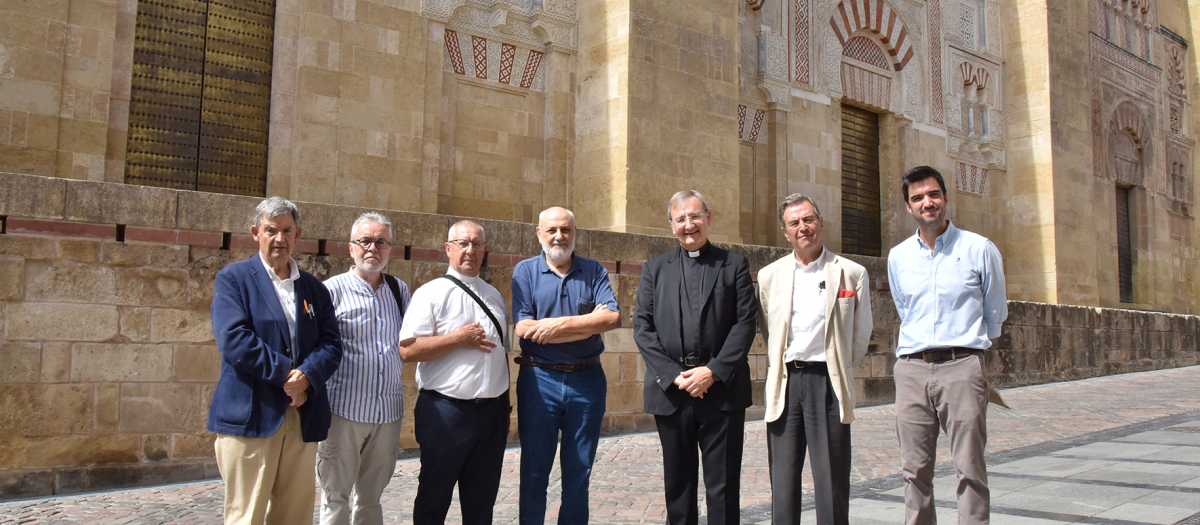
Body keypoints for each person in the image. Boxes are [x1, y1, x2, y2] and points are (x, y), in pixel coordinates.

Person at [208, 196, 343, 525]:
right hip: (251, 415)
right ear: (256, 233)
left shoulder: (313, 287)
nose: (279, 238)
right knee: (247, 514)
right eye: (271, 230)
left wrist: (307, 377)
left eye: (287, 230)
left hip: (301, 415)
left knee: (294, 515)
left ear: (298, 235)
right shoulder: (234, 279)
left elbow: (332, 342)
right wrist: (288, 376)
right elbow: (234, 339)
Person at [888, 166, 1008, 525]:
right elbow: (904, 309)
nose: (928, 203)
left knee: (970, 467)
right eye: (918, 198)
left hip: (962, 365)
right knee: (914, 470)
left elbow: (995, 312)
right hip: (911, 367)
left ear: (945, 198)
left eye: (934, 195)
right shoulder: (898, 256)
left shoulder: (978, 249)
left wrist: (966, 350)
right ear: (908, 207)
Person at [633, 190, 759, 525]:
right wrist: (675, 374)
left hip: (722, 392)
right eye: (681, 219)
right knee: (678, 485)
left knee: (723, 486)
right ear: (671, 224)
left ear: (708, 217)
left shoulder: (733, 265)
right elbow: (642, 328)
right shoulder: (654, 270)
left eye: (695, 216)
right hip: (672, 394)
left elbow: (745, 323)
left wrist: (713, 372)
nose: (689, 225)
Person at [757, 194, 872, 525]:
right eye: (794, 223)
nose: (802, 228)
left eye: (808, 220)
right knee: (783, 480)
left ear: (821, 223)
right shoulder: (769, 276)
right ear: (784, 231)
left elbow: (860, 334)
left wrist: (837, 366)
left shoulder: (851, 272)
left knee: (832, 479)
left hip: (829, 384)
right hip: (786, 384)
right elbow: (769, 327)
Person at [511, 206, 621, 525]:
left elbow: (612, 318)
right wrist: (588, 323)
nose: (559, 236)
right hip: (538, 382)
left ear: (575, 232)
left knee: (579, 471)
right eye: (552, 230)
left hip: (587, 381)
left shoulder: (594, 270)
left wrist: (557, 325)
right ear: (539, 234)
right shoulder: (525, 272)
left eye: (566, 230)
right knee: (534, 470)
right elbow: (524, 329)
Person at [398, 220, 510, 525]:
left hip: (491, 414)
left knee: (481, 503)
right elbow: (407, 350)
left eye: (476, 244)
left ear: (485, 250)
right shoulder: (431, 293)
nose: (470, 250)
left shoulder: (494, 296)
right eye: (462, 243)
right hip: (446, 413)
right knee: (434, 499)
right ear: (449, 249)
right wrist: (457, 339)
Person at [318, 212, 410, 525]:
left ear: (390, 249)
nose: (373, 248)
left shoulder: (400, 291)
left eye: (381, 242)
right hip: (343, 412)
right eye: (365, 241)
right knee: (335, 497)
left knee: (371, 500)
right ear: (351, 248)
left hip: (387, 413)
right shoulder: (331, 291)